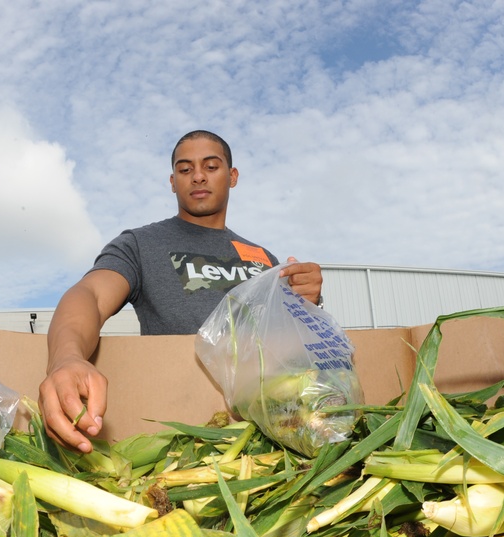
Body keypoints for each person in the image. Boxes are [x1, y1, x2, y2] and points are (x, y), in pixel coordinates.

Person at [38, 130, 323, 453]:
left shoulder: (263, 258)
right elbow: (89, 294)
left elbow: (285, 345)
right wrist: (66, 358)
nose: (198, 176)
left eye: (211, 167)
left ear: (232, 176)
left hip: (269, 437)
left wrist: (306, 301)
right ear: (173, 181)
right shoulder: (140, 245)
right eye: (185, 170)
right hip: (180, 434)